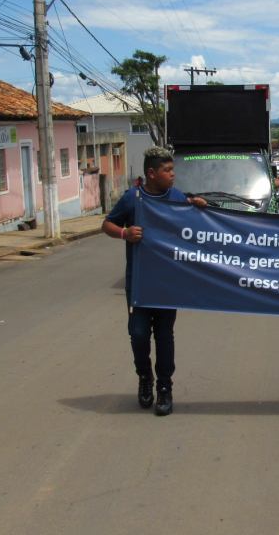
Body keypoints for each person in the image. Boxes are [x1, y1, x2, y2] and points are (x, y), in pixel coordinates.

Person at [102, 147, 208, 416]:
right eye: (167, 170)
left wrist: (197, 205)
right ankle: (144, 378)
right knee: (138, 334)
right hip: (139, 283)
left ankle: (164, 388)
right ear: (151, 172)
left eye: (173, 170)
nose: (173, 175)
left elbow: (193, 223)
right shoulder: (132, 198)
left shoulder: (177, 196)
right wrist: (125, 233)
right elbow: (107, 225)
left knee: (164, 336)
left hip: (167, 282)